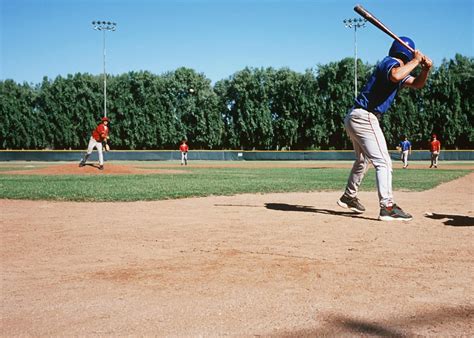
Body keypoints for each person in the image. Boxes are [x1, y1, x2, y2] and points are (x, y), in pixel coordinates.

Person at [337, 37, 432, 221]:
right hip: (365, 116)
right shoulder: (391, 62)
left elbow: (417, 84)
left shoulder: (399, 67)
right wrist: (416, 60)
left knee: (363, 161)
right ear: (407, 53)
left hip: (356, 116)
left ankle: (349, 196)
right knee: (384, 162)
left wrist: (425, 70)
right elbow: (396, 75)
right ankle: (387, 206)